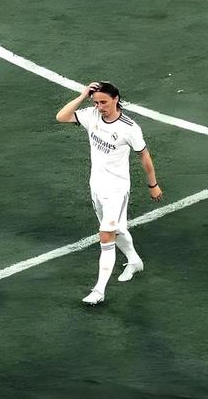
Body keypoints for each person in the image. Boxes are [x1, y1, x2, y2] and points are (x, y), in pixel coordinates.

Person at [56, 82, 163, 305]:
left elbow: (144, 156)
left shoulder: (129, 127)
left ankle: (99, 291)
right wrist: (83, 95)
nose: (100, 107)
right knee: (118, 230)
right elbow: (61, 117)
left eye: (103, 102)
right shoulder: (91, 115)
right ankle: (134, 261)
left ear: (116, 99)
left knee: (106, 235)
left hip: (116, 190)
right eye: (96, 102)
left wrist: (153, 184)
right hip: (96, 186)